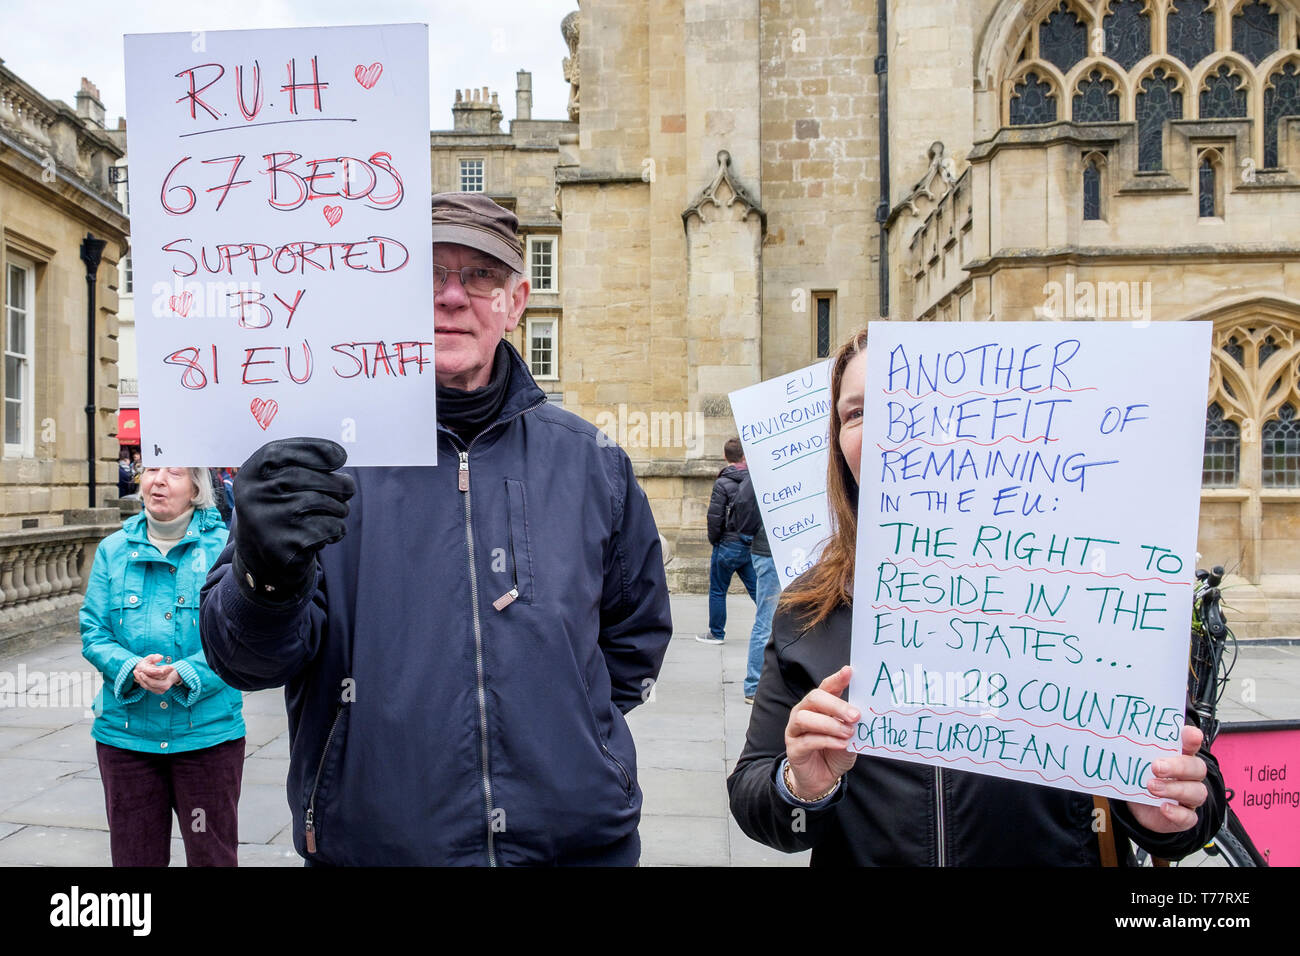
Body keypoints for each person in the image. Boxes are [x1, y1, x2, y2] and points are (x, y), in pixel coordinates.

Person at [199, 192, 672, 866]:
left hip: (576, 849)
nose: (452, 297)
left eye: (480, 276)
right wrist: (263, 573)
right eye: (428, 275)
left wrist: (575, 744)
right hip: (377, 850)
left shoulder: (592, 461)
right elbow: (243, 659)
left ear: (516, 301)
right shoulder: (327, 461)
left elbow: (633, 643)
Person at [727, 328, 1226, 865]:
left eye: (909, 404)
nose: (890, 428)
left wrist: (1163, 812)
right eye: (858, 413)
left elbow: (1198, 793)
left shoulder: (1098, 587)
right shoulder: (809, 604)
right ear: (839, 443)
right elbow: (756, 795)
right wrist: (801, 786)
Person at [80, 466, 245, 866]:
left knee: (213, 856)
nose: (159, 480)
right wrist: (131, 667)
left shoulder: (227, 548)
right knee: (135, 858)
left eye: (174, 472)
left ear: (195, 489)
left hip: (206, 737)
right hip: (126, 738)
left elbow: (239, 636)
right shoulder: (113, 550)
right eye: (152, 469)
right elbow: (94, 631)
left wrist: (186, 673)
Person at [696, 438, 756, 644]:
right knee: (758, 591)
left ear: (724, 456)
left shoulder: (722, 482)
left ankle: (716, 633)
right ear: (744, 456)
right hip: (749, 544)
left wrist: (715, 541)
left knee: (718, 590)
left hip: (726, 544)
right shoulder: (753, 479)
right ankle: (777, 628)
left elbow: (715, 517)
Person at [733, 469, 778, 705]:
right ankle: (753, 684)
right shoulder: (767, 462)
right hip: (771, 551)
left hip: (778, 550)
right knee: (766, 618)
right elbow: (743, 502)